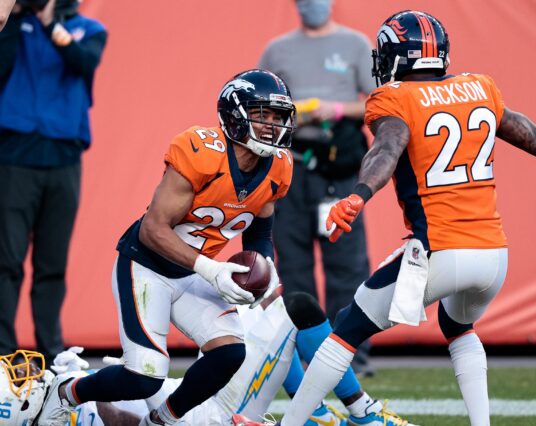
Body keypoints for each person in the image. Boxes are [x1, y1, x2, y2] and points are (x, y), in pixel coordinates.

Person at [234, 10, 536, 426]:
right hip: (494, 256)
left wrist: (358, 195)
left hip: (437, 252)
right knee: (458, 327)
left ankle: (292, 423)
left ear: (395, 57)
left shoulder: (395, 98)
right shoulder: (480, 88)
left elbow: (386, 150)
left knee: (344, 331)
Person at [37, 69, 297, 426]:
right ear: (234, 115)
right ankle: (67, 391)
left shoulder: (279, 167)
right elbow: (152, 229)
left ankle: (160, 420)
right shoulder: (202, 151)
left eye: (278, 117)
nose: (271, 125)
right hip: (147, 266)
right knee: (143, 377)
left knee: (230, 354)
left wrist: (265, 270)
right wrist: (213, 269)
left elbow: (260, 232)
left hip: (192, 271)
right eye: (262, 114)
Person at [0, 293, 412, 426]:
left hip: (201, 398)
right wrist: (90, 393)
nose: (28, 374)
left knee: (255, 313)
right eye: (19, 382)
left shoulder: (59, 408)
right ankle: (364, 415)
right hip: (216, 411)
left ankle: (316, 413)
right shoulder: (74, 416)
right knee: (297, 310)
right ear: (16, 409)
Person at [257, 0, 375, 374]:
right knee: (292, 261)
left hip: (337, 169)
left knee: (347, 261)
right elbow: (260, 106)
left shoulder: (355, 44)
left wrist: (336, 109)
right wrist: (292, 112)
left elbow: (379, 102)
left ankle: (351, 350)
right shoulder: (277, 49)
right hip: (290, 166)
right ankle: (299, 347)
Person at [0, 0, 107, 366]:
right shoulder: (12, 26)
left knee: (52, 262)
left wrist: (48, 22)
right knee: (6, 260)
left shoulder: (89, 29)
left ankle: (50, 350)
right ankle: (2, 350)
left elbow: (83, 62)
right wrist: (12, 17)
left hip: (63, 162)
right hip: (13, 160)